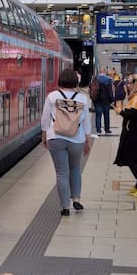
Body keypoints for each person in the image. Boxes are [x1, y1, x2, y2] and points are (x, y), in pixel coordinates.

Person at [41, 69, 92, 216]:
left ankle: (65, 207)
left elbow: (45, 120)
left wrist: (44, 136)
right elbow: (86, 122)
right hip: (77, 138)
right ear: (76, 82)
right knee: (75, 168)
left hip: (55, 138)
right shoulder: (82, 99)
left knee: (62, 172)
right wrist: (87, 140)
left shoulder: (52, 96)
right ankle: (76, 198)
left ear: (60, 81)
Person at [114, 74, 137, 198]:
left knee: (131, 159)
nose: (128, 85)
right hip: (136, 133)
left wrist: (120, 111)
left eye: (130, 83)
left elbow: (131, 115)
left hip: (134, 134)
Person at [91, 68, 114, 135]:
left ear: (100, 71)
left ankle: (98, 130)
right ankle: (107, 130)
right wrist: (112, 99)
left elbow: (91, 87)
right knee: (106, 115)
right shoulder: (108, 79)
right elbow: (110, 91)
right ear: (105, 72)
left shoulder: (94, 78)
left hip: (97, 99)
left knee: (98, 115)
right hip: (106, 100)